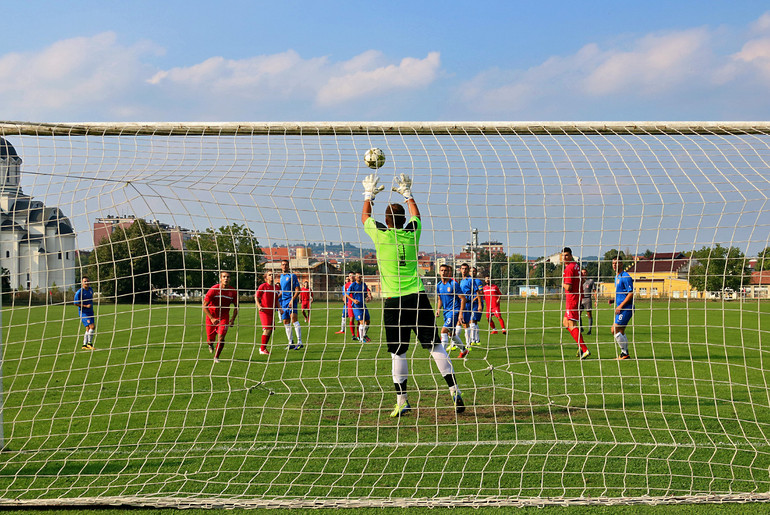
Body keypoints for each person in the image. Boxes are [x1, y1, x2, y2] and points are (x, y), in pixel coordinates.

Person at [361, 172, 464, 417]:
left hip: (394, 301)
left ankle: (403, 400)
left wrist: (369, 194)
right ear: (403, 220)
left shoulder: (381, 235)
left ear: (385, 222)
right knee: (435, 346)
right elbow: (417, 216)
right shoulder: (412, 234)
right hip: (418, 297)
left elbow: (365, 217)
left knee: (399, 352)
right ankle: (454, 390)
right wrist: (408, 194)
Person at [203, 271, 239, 363]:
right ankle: (210, 344)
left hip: (224, 317)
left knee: (221, 337)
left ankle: (216, 357)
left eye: (228, 277)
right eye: (224, 276)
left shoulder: (233, 291)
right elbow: (204, 305)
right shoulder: (214, 289)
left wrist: (233, 319)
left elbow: (237, 307)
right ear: (220, 278)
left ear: (230, 279)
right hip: (211, 317)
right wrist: (211, 318)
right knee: (211, 339)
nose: (226, 278)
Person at [435, 264, 468, 359]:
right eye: (442, 270)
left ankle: (442, 355)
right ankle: (464, 350)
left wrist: (460, 313)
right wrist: (438, 309)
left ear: (448, 272)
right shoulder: (438, 285)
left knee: (443, 331)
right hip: (446, 312)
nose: (443, 272)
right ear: (439, 272)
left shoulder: (453, 284)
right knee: (451, 334)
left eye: (445, 270)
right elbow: (440, 298)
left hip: (454, 311)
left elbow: (463, 298)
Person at [562, 248, 590, 359]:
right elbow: (582, 279)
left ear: (571, 255)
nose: (564, 258)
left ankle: (584, 349)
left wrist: (562, 284)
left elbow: (568, 286)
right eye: (563, 255)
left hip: (572, 299)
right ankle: (580, 345)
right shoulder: (576, 266)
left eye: (567, 255)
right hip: (577, 297)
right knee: (565, 322)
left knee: (571, 324)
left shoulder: (569, 268)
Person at [612, 257, 634, 360]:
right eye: (613, 263)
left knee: (614, 329)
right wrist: (613, 300)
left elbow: (630, 293)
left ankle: (625, 353)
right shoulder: (617, 277)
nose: (615, 265)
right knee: (621, 331)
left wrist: (620, 306)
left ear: (621, 264)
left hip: (626, 308)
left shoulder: (626, 277)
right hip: (622, 307)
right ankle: (624, 354)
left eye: (617, 263)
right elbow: (622, 293)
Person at [279, 259, 303, 350]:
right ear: (281, 266)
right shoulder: (281, 277)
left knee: (294, 319)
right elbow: (282, 291)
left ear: (288, 266)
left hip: (291, 301)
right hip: (283, 302)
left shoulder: (292, 276)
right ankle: (290, 342)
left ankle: (300, 342)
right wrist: (276, 297)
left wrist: (292, 300)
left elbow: (298, 290)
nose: (284, 266)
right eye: (283, 264)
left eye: (286, 264)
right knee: (286, 322)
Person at [255, 271, 279, 356]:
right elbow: (256, 297)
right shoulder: (263, 286)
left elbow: (276, 299)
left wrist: (279, 308)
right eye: (269, 275)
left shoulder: (276, 287)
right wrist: (259, 306)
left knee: (270, 330)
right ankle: (262, 349)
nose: (271, 276)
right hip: (264, 311)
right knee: (267, 329)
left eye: (273, 274)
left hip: (271, 311)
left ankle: (263, 348)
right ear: (266, 277)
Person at [458, 263, 481, 347]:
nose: (464, 270)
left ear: (468, 270)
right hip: (460, 303)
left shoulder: (471, 280)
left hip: (468, 304)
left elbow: (478, 292)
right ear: (460, 270)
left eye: (466, 269)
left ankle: (468, 343)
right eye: (462, 268)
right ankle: (461, 343)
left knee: (466, 323)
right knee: (460, 323)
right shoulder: (462, 280)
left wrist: (479, 305)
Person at [346, 273, 373, 342]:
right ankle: (361, 339)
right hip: (356, 306)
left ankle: (364, 335)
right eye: (357, 276)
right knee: (361, 321)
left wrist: (367, 297)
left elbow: (365, 294)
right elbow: (347, 294)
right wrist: (353, 300)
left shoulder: (363, 284)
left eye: (360, 276)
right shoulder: (353, 285)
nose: (359, 277)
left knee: (368, 321)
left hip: (363, 305)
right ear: (355, 277)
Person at [74, 276, 96, 350]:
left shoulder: (90, 290)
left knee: (88, 328)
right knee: (92, 327)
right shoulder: (79, 292)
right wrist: (85, 306)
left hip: (90, 311)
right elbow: (75, 303)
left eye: (87, 281)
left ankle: (84, 345)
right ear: (82, 283)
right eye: (85, 281)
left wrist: (92, 309)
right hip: (83, 312)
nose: (86, 283)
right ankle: (90, 343)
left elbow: (90, 300)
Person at [335, 272, 357, 340]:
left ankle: (359, 335)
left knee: (359, 319)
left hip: (355, 303)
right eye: (347, 278)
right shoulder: (344, 286)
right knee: (345, 317)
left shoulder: (356, 284)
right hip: (348, 304)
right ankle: (343, 330)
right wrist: (345, 301)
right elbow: (344, 295)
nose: (348, 279)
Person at [580, 269, 595, 335]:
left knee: (589, 314)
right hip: (580, 299)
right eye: (582, 273)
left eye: (585, 272)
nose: (584, 274)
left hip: (587, 299)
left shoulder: (590, 281)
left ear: (587, 273)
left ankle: (589, 330)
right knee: (578, 314)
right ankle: (581, 327)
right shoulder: (579, 281)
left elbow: (595, 291)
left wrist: (596, 300)